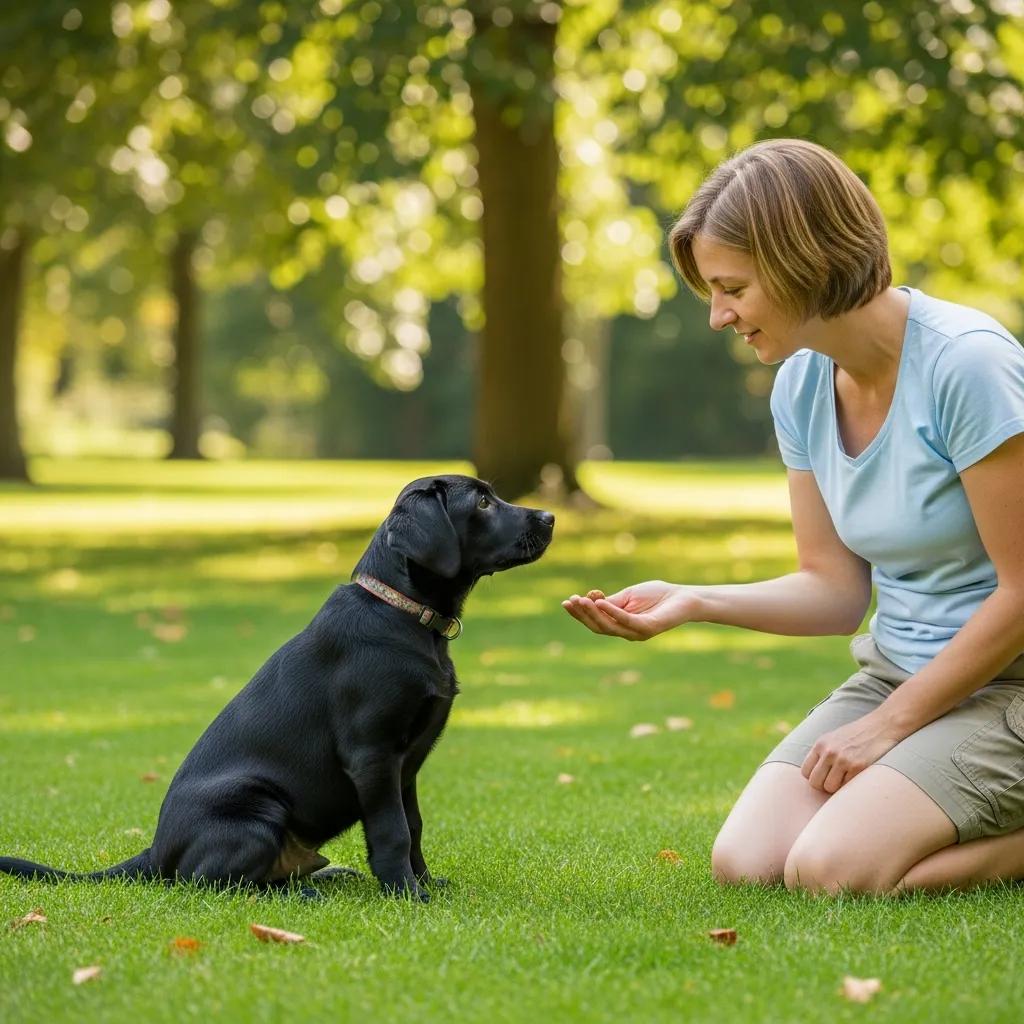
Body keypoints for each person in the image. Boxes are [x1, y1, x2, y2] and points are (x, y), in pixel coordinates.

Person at [563, 138, 1024, 895]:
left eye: (732, 288)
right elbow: (834, 589)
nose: (717, 317)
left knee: (830, 870)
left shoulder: (966, 366)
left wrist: (889, 728)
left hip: (1009, 686)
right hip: (898, 674)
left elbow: (1021, 591)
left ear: (800, 260)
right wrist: (693, 602)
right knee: (746, 864)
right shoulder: (802, 387)